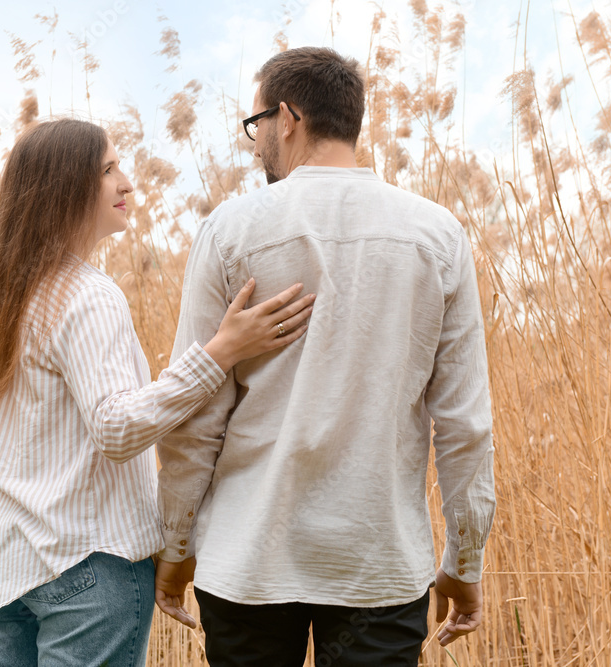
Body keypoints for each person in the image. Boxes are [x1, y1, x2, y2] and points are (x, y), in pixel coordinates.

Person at [154, 47, 496, 665]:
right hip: (378, 567)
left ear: (288, 118)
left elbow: (195, 417)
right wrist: (464, 562)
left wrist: (175, 546)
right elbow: (465, 424)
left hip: (248, 561)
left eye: (257, 124)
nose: (257, 140)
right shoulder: (437, 234)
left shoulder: (229, 231)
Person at [0, 118, 315, 667]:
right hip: (86, 569)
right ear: (62, 188)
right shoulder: (88, 295)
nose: (127, 184)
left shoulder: (10, 293)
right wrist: (221, 351)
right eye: (107, 170)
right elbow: (116, 429)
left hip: (4, 573)